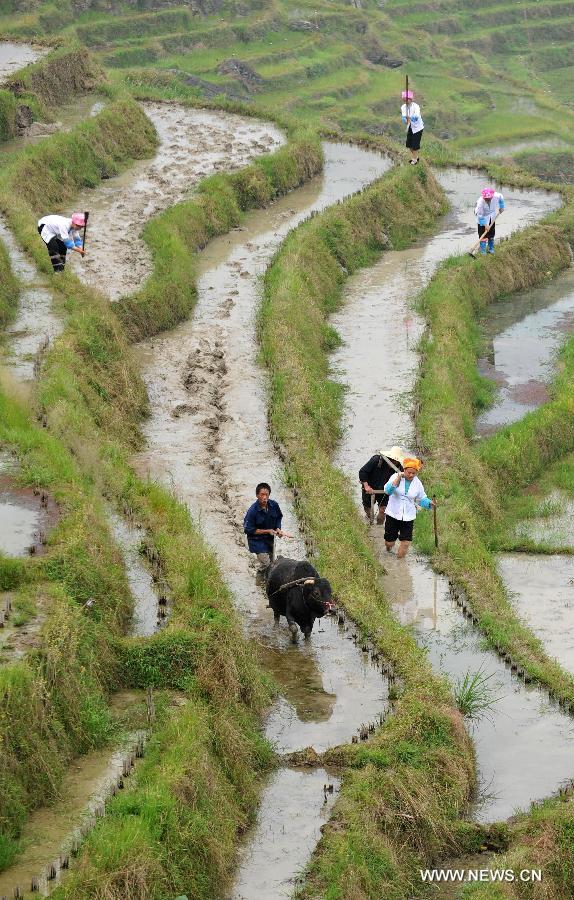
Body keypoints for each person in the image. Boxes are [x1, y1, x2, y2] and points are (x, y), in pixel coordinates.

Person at [383, 457, 436, 558]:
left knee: (406, 543)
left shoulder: (418, 483)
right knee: (389, 543)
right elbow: (387, 491)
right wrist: (398, 478)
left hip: (408, 516)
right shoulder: (395, 476)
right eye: (409, 472)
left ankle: (399, 567)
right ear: (404, 470)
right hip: (393, 514)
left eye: (413, 473)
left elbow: (421, 499)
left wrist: (430, 503)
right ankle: (388, 549)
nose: (411, 475)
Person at [243, 482, 287, 577]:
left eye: (266, 495)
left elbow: (279, 517)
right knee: (266, 564)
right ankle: (258, 579)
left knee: (272, 565)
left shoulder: (274, 505)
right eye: (262, 494)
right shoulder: (252, 511)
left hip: (269, 540)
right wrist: (268, 531)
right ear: (257, 495)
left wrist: (278, 529)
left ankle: (267, 582)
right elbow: (248, 530)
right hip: (256, 541)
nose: (264, 497)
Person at [359, 445, 405, 524]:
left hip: (385, 490)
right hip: (370, 487)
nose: (394, 461)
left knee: (383, 510)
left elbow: (400, 483)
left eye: (396, 460)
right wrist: (366, 486)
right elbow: (363, 472)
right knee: (368, 508)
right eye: (392, 459)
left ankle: (379, 526)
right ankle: (370, 518)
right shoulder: (376, 460)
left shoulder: (399, 469)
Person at [474, 188, 505, 255]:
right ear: (483, 197)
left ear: (492, 196)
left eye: (489, 198)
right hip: (482, 216)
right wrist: (485, 225)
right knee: (483, 234)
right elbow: (480, 215)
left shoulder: (496, 195)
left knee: (491, 233)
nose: (487, 200)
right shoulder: (480, 202)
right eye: (486, 198)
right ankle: (483, 251)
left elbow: (501, 197)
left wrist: (501, 206)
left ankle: (491, 249)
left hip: (492, 215)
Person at [401, 90, 424, 165]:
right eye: (405, 99)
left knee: (415, 145)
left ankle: (414, 160)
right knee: (409, 144)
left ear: (411, 99)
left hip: (417, 128)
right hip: (410, 127)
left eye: (407, 99)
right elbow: (404, 116)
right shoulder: (403, 107)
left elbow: (416, 115)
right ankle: (416, 157)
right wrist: (404, 119)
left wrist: (412, 117)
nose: (406, 101)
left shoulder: (416, 106)